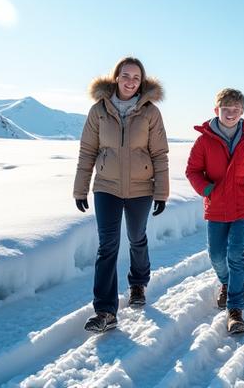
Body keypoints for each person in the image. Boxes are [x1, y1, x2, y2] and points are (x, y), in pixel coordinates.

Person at [73, 56, 169, 332]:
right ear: (116, 77)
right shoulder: (99, 110)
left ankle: (138, 283)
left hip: (141, 188)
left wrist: (161, 192)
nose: (130, 82)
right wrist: (80, 188)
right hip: (107, 187)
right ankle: (105, 311)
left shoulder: (150, 112)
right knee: (107, 246)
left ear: (142, 82)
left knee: (137, 237)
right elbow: (87, 152)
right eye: (125, 76)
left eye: (136, 78)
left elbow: (160, 154)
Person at [186, 88, 244, 334]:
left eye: (236, 110)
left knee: (236, 254)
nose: (231, 114)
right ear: (217, 111)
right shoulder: (204, 140)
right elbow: (192, 171)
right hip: (217, 204)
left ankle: (235, 310)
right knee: (215, 254)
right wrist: (207, 189)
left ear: (242, 112)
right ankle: (226, 283)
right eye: (226, 109)